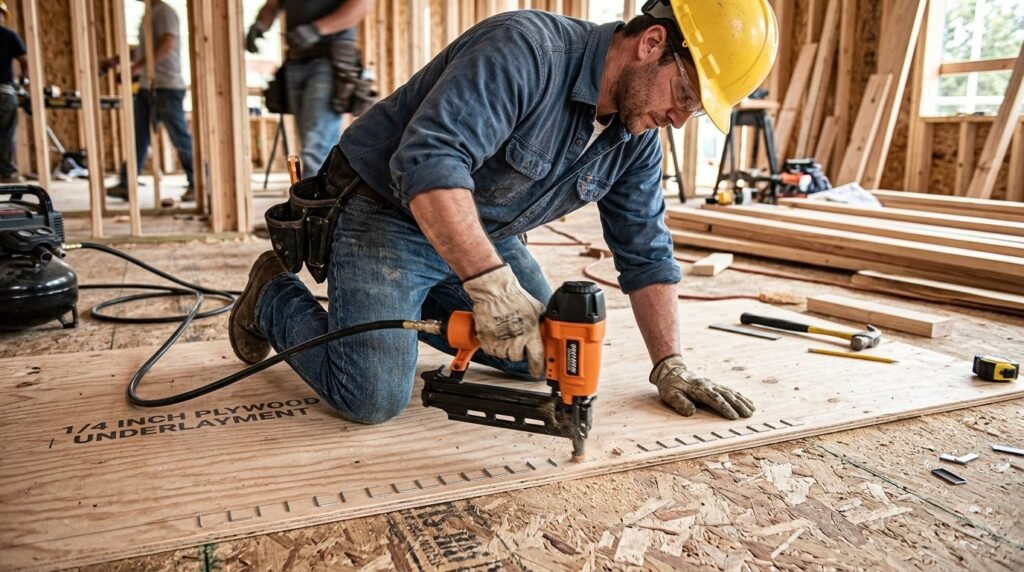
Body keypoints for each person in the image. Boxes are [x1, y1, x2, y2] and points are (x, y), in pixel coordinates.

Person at [231, 0, 777, 426]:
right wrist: (491, 288)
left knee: (546, 354)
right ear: (652, 43)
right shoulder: (526, 51)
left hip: (478, 228)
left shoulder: (636, 135)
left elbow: (646, 251)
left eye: (695, 110)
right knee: (372, 396)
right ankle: (272, 293)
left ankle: (405, 311)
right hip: (388, 210)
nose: (680, 120)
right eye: (684, 95)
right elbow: (428, 162)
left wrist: (669, 364)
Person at [246, 0, 375, 176]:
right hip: (296, 60)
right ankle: (320, 199)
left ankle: (317, 202)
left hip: (329, 60)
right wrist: (261, 24)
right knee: (311, 145)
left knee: (316, 148)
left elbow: (362, 5)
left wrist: (318, 29)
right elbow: (272, 5)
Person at [104, 0, 195, 202]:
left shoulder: (164, 12)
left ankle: (198, 182)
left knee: (179, 137)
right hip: (148, 86)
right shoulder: (149, 14)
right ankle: (127, 184)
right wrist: (118, 60)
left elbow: (167, 43)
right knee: (139, 136)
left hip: (166, 86)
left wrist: (136, 68)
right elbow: (145, 50)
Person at [0, 1, 27, 183]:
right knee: (6, 133)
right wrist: (23, 82)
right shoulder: (9, 35)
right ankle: (7, 173)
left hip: (4, 91)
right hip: (4, 92)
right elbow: (24, 61)